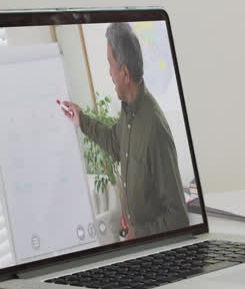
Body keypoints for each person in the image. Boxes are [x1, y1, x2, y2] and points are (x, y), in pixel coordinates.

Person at [60, 23, 189, 239]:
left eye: (110, 64)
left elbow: (179, 218)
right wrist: (80, 119)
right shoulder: (128, 111)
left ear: (125, 72)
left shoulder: (155, 129)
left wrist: (138, 233)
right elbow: (114, 142)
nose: (109, 72)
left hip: (155, 252)